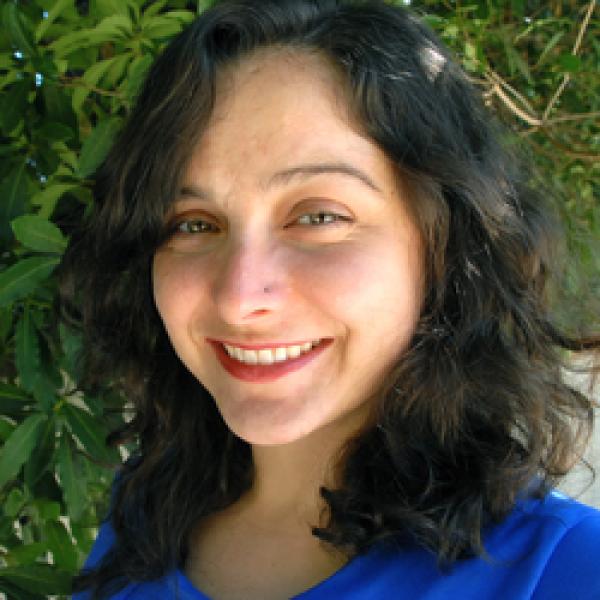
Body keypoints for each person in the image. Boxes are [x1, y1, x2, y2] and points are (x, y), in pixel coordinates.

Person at [61, 0, 600, 598]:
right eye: (193, 223)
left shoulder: (566, 569)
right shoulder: (140, 518)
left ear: (446, 242)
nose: (241, 299)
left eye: (318, 216)